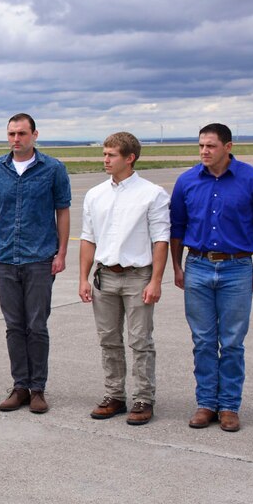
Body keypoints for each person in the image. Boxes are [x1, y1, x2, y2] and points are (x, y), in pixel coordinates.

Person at [170, 123, 253, 433]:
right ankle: (206, 403)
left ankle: (229, 406)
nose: (204, 151)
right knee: (203, 340)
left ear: (227, 147)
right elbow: (177, 227)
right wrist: (177, 268)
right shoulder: (187, 181)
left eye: (211, 146)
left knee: (231, 342)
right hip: (199, 267)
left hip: (237, 269)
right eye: (201, 146)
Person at [78, 132, 170, 426]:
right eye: (104, 154)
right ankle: (114, 395)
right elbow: (88, 238)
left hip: (137, 277)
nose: (105, 160)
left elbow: (161, 240)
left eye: (111, 155)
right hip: (104, 276)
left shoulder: (152, 193)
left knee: (141, 340)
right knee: (108, 340)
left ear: (129, 158)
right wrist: (82, 278)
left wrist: (156, 281)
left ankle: (144, 398)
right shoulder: (95, 195)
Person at [0, 113, 71, 414]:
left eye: (21, 133)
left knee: (36, 325)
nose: (16, 139)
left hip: (39, 258)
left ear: (34, 135)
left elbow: (62, 211)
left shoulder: (53, 168)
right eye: (11, 134)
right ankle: (19, 386)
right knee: (13, 325)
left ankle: (38, 389)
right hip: (6, 257)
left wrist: (60, 254)